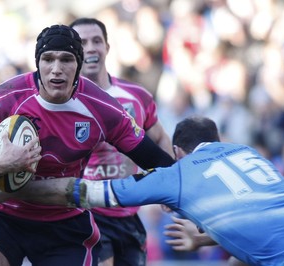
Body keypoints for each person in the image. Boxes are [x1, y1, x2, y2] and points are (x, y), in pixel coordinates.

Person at [0, 115, 284, 265]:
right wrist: (207, 239)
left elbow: (81, 191)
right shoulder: (246, 152)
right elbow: (266, 214)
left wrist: (12, 188)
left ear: (177, 153)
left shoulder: (177, 173)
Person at [0, 24, 175, 266]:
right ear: (38, 63)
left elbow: (158, 162)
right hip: (4, 215)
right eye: (48, 59)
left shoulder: (103, 108)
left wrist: (183, 189)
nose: (56, 70)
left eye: (66, 60)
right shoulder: (4, 99)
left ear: (78, 65)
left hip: (64, 218)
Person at [69, 17, 174, 266]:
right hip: (88, 211)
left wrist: (169, 186)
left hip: (129, 209)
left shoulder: (136, 96)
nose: (91, 48)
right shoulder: (65, 103)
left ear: (107, 47)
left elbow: (159, 136)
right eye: (82, 43)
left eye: (97, 41)